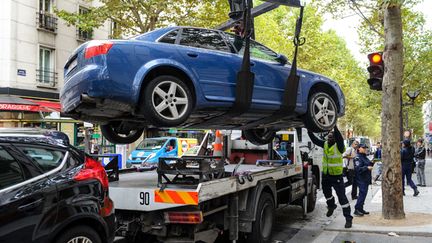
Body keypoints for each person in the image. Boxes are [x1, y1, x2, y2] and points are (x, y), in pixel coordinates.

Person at [308, 126, 353, 228]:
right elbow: (315, 140)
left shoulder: (340, 146)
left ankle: (348, 219)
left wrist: (334, 126)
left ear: (335, 139)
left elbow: (340, 138)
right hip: (326, 175)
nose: (329, 139)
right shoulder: (325, 144)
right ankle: (331, 205)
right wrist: (308, 129)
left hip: (336, 176)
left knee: (342, 198)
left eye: (331, 138)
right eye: (328, 137)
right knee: (326, 193)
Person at [353, 144, 373, 216]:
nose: (365, 149)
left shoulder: (364, 157)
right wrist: (367, 168)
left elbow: (369, 164)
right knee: (362, 194)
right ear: (359, 148)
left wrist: (373, 162)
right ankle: (357, 209)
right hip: (361, 179)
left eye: (365, 148)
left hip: (366, 178)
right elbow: (358, 169)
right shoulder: (357, 158)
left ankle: (360, 208)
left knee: (364, 194)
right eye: (363, 148)